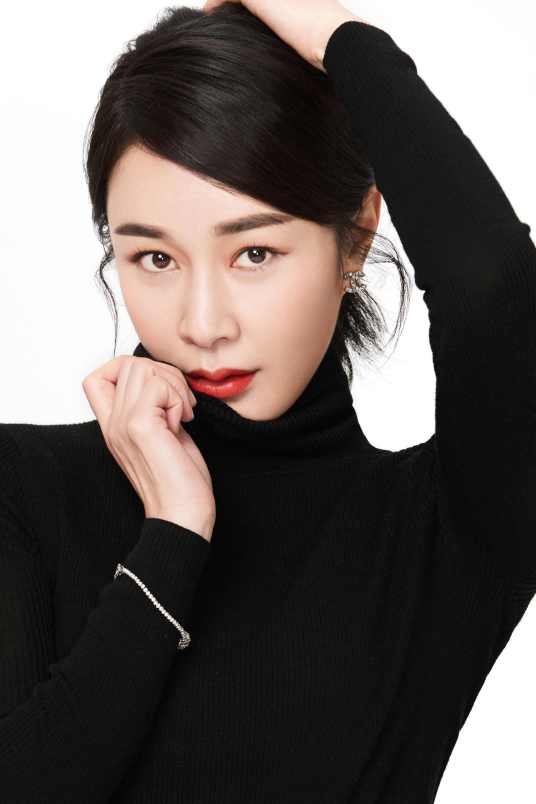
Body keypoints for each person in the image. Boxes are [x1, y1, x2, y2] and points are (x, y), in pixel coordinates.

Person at [1, 1, 534, 801]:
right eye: (154, 258)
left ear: (357, 235)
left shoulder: (442, 537)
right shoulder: (22, 487)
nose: (202, 324)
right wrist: (172, 538)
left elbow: (497, 292)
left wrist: (342, 39)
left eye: (253, 252)